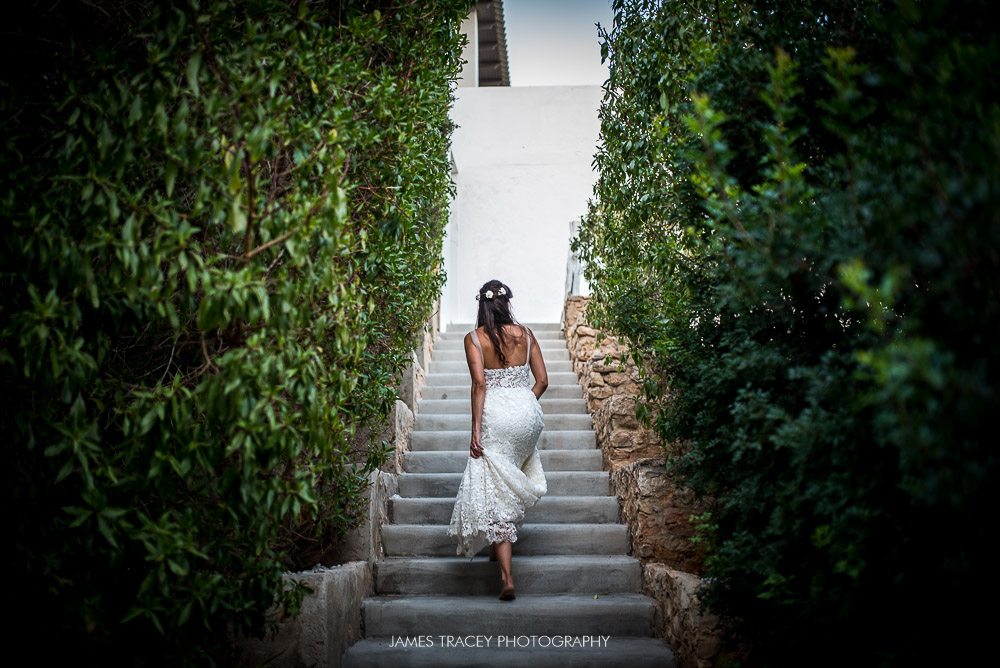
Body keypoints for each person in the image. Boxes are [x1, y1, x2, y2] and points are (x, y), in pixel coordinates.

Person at [446, 279, 548, 601]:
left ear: (483, 305)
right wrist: (525, 403)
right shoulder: (527, 335)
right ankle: (496, 546)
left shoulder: (474, 339)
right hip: (527, 418)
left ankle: (506, 577)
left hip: (497, 419)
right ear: (506, 303)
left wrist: (475, 431)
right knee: (504, 482)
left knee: (496, 491)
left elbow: (480, 385)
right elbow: (543, 381)